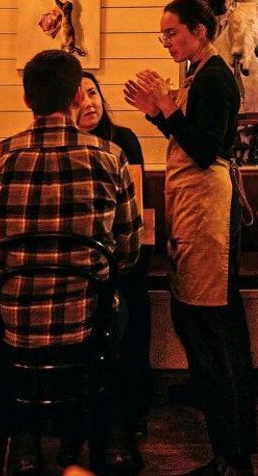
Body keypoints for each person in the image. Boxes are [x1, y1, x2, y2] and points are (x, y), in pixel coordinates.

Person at [0, 50, 142, 476]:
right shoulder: (110, 157)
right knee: (122, 312)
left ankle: (24, 442)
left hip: (12, 329)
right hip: (88, 328)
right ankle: (97, 437)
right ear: (78, 96)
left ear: (27, 100)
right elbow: (130, 249)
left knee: (14, 336)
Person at [124, 0, 256, 476]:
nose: (166, 42)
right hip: (195, 209)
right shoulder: (200, 74)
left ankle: (234, 456)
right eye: (163, 35)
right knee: (199, 326)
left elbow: (206, 149)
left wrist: (166, 111)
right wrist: (161, 115)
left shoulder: (217, 77)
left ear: (199, 32)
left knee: (214, 332)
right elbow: (193, 137)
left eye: (172, 33)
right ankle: (229, 449)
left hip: (210, 211)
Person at [79, 72, 151, 443]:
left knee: (131, 275)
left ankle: (131, 397)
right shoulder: (66, 146)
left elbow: (137, 206)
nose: (88, 103)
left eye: (92, 93)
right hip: (83, 259)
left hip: (115, 247)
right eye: (77, 98)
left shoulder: (123, 140)